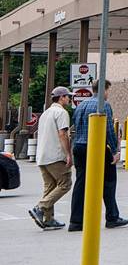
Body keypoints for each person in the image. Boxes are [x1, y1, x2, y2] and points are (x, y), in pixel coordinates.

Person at [68, 80, 128, 232]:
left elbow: (75, 127)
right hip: (96, 146)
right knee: (108, 180)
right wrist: (115, 150)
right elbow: (108, 130)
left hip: (79, 147)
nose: (108, 94)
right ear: (104, 90)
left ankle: (76, 221)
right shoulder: (104, 105)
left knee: (81, 183)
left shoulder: (81, 105)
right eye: (108, 91)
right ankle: (112, 217)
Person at [29, 87, 74, 230]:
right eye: (68, 97)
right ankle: (40, 208)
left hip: (42, 155)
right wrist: (68, 154)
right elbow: (62, 134)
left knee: (50, 187)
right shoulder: (61, 112)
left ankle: (48, 220)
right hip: (55, 155)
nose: (69, 99)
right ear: (61, 98)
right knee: (65, 183)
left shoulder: (46, 113)